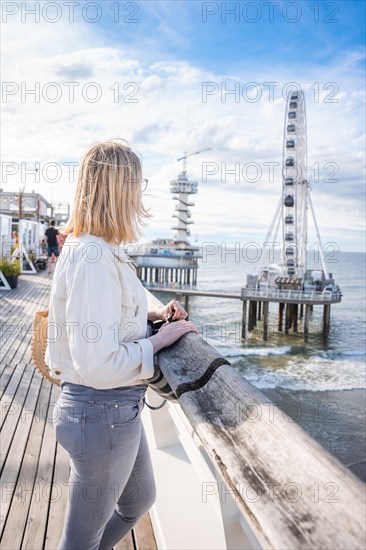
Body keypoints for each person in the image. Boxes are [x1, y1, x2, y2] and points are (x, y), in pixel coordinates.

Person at [46, 140, 198, 550]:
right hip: (100, 412)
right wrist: (163, 339)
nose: (140, 193)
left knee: (139, 500)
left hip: (112, 411)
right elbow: (97, 363)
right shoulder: (94, 255)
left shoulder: (97, 249)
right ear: (118, 187)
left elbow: (100, 317)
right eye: (138, 182)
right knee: (79, 543)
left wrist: (148, 317)